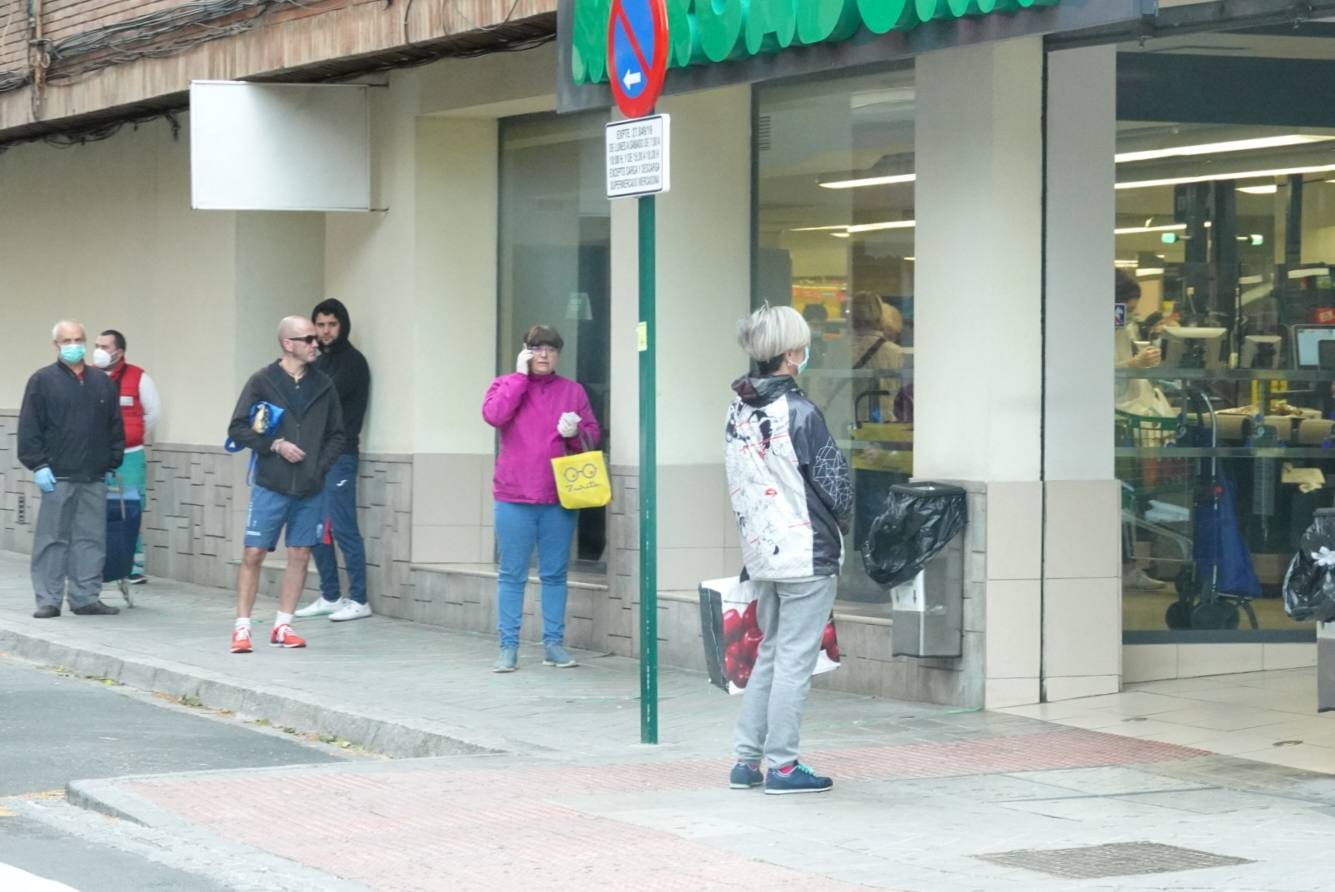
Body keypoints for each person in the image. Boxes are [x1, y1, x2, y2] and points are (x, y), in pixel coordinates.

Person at [724, 304, 853, 795]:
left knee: (773, 655)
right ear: (792, 352)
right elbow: (835, 485)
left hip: (762, 549)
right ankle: (782, 766)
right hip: (806, 551)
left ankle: (746, 759)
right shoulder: (798, 412)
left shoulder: (738, 407)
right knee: (795, 660)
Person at [481, 324, 600, 673]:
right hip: (513, 494)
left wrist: (576, 431)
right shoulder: (505, 384)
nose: (544, 355)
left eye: (550, 348)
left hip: (557, 496)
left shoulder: (572, 391)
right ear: (525, 352)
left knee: (554, 574)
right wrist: (519, 378)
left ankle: (554, 644)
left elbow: (594, 433)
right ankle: (508, 646)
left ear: (558, 354)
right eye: (537, 348)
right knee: (511, 574)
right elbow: (494, 415)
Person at [227, 316, 345, 653]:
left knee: (300, 553)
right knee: (253, 553)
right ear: (287, 343)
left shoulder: (323, 384)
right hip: (270, 482)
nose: (315, 343)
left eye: (315, 339)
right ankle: (242, 627)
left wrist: (318, 468)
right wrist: (274, 445)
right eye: (308, 338)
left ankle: (283, 625)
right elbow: (237, 428)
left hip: (311, 486)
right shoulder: (262, 381)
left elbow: (339, 434)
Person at [18, 320, 126, 618]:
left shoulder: (101, 382)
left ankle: (85, 597)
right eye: (67, 340)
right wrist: (38, 465)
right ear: (56, 345)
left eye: (78, 339)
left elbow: (114, 425)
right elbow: (29, 428)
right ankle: (48, 599)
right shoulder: (42, 381)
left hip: (93, 475)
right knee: (52, 538)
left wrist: (111, 460)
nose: (73, 345)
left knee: (91, 539)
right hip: (58, 475)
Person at [295, 298, 373, 623]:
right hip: (313, 458)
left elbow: (317, 404)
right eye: (321, 325)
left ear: (342, 326)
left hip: (340, 457)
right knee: (315, 530)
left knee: (343, 528)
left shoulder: (352, 362)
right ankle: (330, 595)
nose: (326, 331)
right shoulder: (318, 362)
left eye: (332, 325)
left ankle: (359, 599)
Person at [1114, 270, 1171, 592]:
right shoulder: (1104, 325)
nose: (1129, 315)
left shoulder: (1119, 325)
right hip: (1119, 417)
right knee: (1127, 498)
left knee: (1131, 498)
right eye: (1127, 308)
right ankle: (1126, 565)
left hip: (1128, 412)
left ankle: (1129, 565)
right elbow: (1102, 367)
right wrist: (1135, 364)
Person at [92, 329, 162, 584]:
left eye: (105, 346)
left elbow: (152, 415)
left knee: (131, 507)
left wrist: (131, 436)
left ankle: (133, 566)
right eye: (97, 345)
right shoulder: (87, 377)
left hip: (129, 455)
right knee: (95, 508)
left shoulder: (138, 378)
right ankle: (98, 563)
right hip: (95, 455)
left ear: (119, 351)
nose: (98, 350)